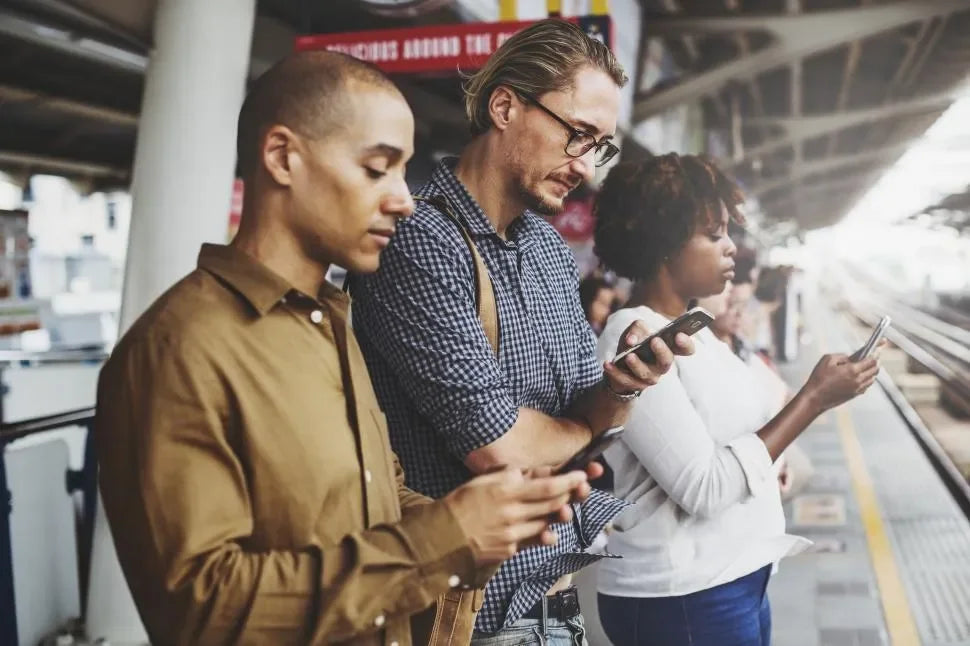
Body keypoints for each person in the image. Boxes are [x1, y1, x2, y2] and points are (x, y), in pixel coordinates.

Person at [95, 51, 599, 646]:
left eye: (403, 172)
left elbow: (374, 502)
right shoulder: (177, 349)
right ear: (283, 158)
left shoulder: (328, 324)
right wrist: (440, 540)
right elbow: (202, 608)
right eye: (376, 169)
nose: (404, 199)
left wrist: (489, 520)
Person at [349, 19, 691, 646]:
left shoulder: (549, 251)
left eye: (601, 147)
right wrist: (587, 421)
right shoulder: (421, 242)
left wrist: (623, 384)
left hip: (555, 609)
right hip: (469, 619)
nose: (585, 166)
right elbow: (498, 447)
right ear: (504, 105)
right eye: (577, 135)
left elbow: (596, 428)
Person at [591, 153, 882, 646]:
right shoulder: (635, 339)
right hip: (682, 597)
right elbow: (705, 487)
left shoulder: (693, 334)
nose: (732, 249)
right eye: (714, 234)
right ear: (665, 245)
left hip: (732, 581)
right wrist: (813, 399)